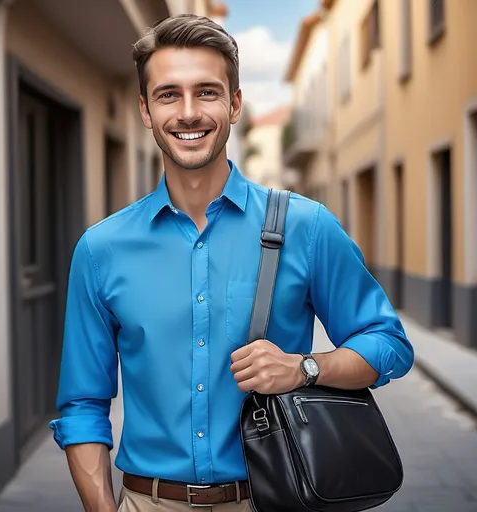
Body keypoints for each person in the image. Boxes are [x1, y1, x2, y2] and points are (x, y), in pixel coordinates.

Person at [49, 13, 414, 512]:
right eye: (168, 94)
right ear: (145, 110)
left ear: (235, 103)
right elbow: (83, 404)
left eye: (207, 92)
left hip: (275, 498)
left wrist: (306, 367)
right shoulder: (100, 249)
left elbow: (389, 343)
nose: (188, 112)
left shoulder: (307, 227)